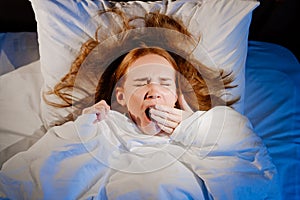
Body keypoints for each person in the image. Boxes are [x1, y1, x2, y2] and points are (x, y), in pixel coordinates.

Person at [0, 8, 280, 200]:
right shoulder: (103, 132)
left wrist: (196, 129)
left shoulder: (212, 129)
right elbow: (25, 184)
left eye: (164, 82)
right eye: (141, 81)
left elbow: (258, 185)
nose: (153, 89)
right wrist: (82, 136)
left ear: (177, 95)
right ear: (120, 96)